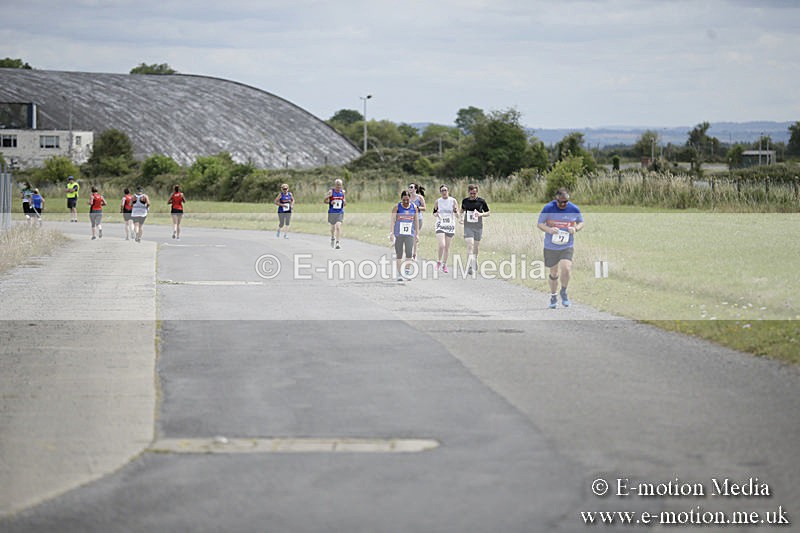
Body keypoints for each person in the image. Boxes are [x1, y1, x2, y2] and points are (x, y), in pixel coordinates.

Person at [537, 188, 584, 309]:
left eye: (565, 202)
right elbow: (540, 224)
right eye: (560, 202)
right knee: (554, 272)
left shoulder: (574, 209)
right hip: (551, 246)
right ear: (556, 200)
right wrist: (549, 230)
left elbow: (581, 222)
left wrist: (576, 229)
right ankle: (553, 295)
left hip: (566, 245)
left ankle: (564, 291)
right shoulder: (548, 208)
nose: (563, 204)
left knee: (566, 268)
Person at [461, 184, 490, 276]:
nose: (473, 195)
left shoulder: (481, 201)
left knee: (476, 247)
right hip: (468, 226)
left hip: (478, 226)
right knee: (470, 245)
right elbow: (461, 211)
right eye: (471, 193)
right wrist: (461, 218)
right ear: (468, 192)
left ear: (477, 192)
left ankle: (475, 260)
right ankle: (470, 265)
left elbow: (488, 212)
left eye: (474, 193)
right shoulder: (465, 201)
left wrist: (480, 214)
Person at [390, 190, 419, 282]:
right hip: (399, 234)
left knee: (409, 254)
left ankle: (407, 271)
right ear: (401, 199)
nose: (406, 202)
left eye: (407, 200)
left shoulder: (414, 207)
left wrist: (417, 234)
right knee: (399, 254)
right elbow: (392, 221)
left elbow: (416, 222)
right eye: (404, 200)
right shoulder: (397, 207)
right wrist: (391, 233)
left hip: (409, 234)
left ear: (410, 199)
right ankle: (399, 274)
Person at [433, 184, 459, 274]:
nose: (444, 192)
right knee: (442, 245)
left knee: (447, 247)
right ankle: (439, 262)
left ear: (448, 191)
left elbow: (458, 215)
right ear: (440, 192)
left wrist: (455, 211)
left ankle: (444, 264)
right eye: (442, 191)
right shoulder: (438, 201)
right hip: (440, 224)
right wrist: (437, 214)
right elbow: (434, 213)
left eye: (445, 190)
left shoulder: (453, 201)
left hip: (450, 225)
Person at [324, 178, 346, 249]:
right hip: (332, 212)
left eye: (340, 185)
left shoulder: (342, 192)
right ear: (335, 185)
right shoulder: (331, 192)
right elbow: (325, 201)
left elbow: (344, 202)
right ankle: (332, 237)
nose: (339, 187)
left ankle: (338, 242)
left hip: (340, 212)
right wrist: (330, 200)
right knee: (333, 227)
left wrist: (344, 202)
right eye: (337, 185)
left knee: (338, 227)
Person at [407, 183, 426, 260]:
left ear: (415, 189)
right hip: (408, 219)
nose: (410, 188)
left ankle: (414, 254)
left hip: (418, 219)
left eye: (411, 187)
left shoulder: (419, 197)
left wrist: (416, 207)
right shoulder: (407, 198)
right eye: (409, 187)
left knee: (415, 236)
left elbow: (424, 208)